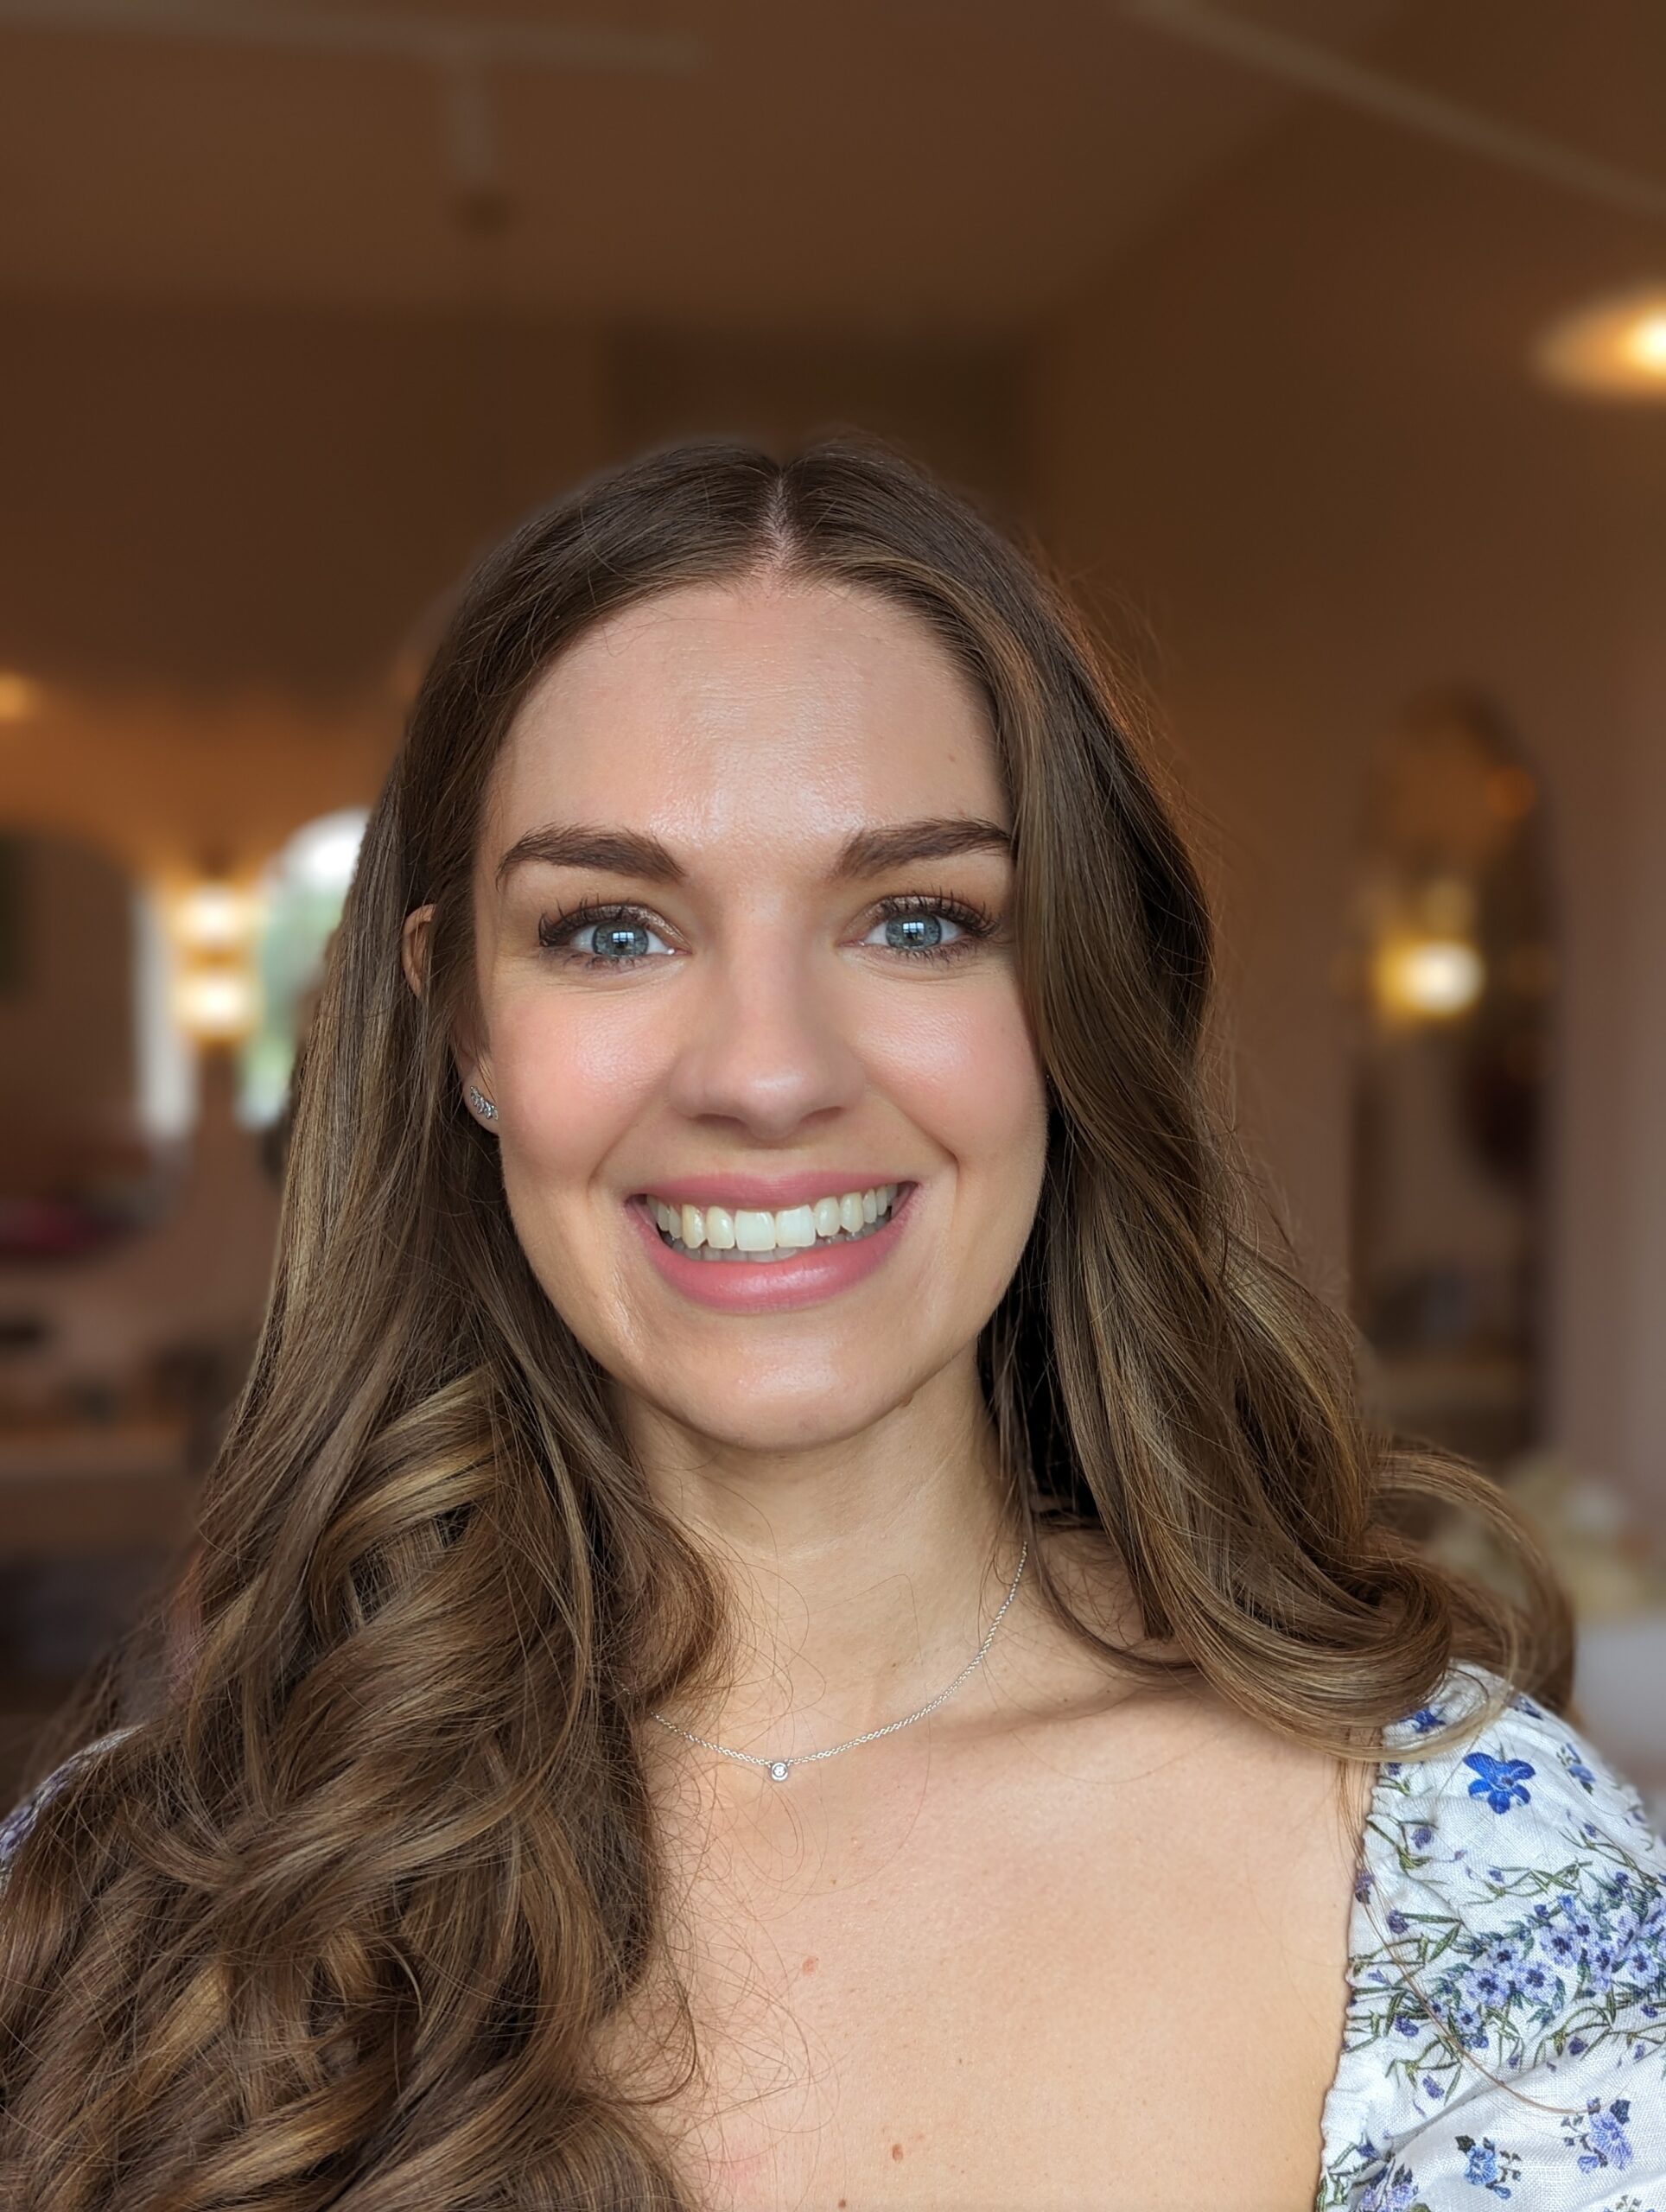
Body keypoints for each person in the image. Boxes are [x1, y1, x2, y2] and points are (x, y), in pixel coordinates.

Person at [1, 435, 1661, 2210]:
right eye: (614, 930)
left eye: (918, 916)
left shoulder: (1458, 1860)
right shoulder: (137, 1892)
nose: (768, 1073)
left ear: (1070, 1001)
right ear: (464, 1027)